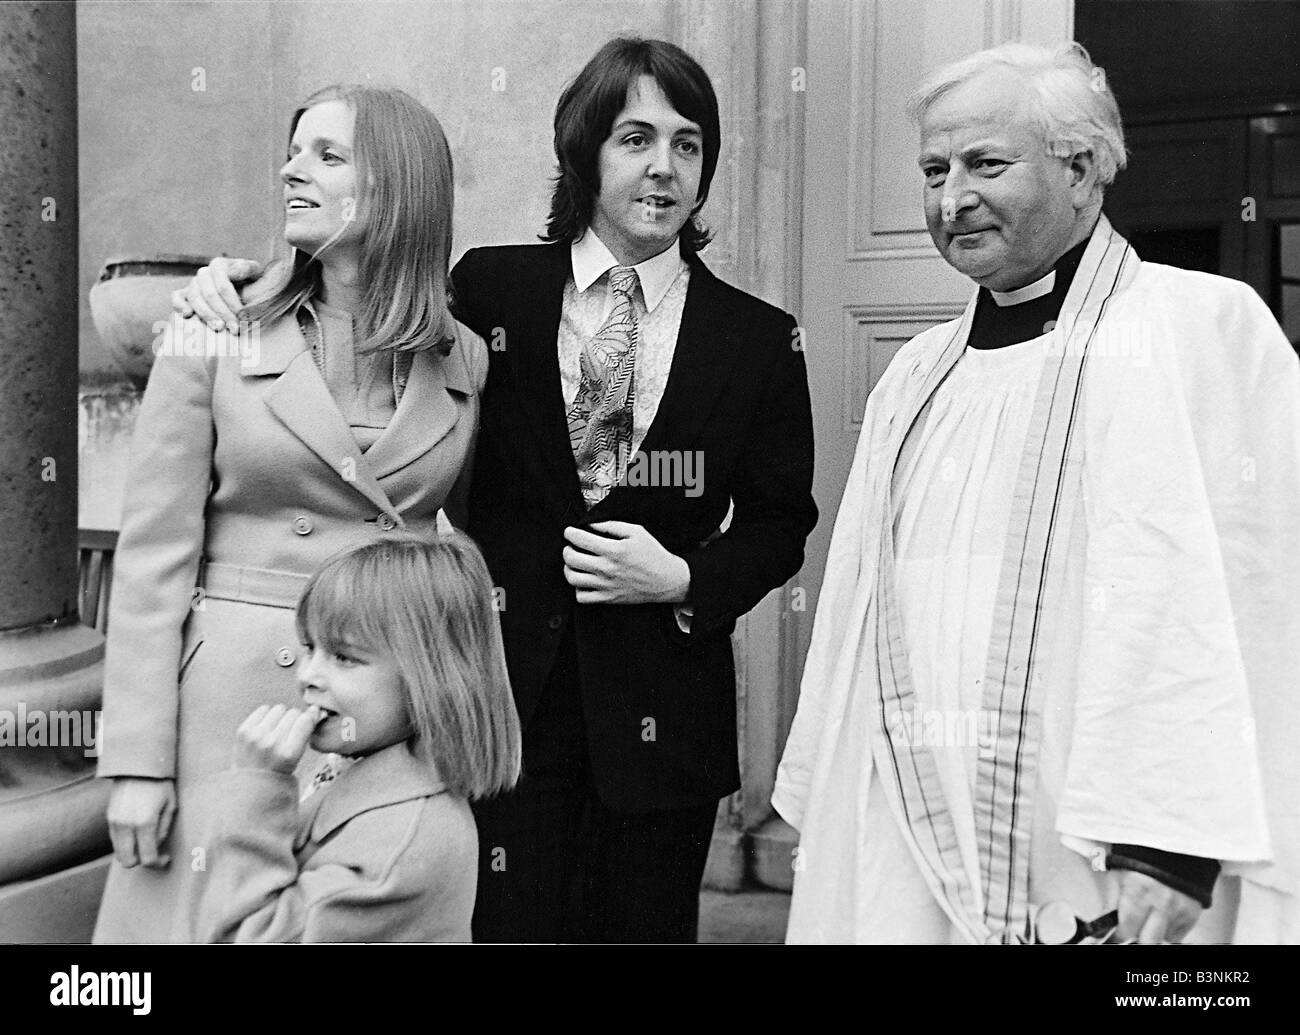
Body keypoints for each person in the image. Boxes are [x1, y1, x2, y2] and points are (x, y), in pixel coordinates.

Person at [180, 37, 817, 943]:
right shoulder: (490, 287)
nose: (664, 166)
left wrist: (682, 578)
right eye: (636, 138)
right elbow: (364, 323)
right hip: (498, 709)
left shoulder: (758, 338)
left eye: (688, 144)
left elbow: (781, 520)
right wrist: (242, 284)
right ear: (585, 151)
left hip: (661, 724)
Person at [774, 41, 1300, 945]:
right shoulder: (915, 374)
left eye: (985, 163)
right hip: (916, 825)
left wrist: (1175, 836)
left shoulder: (1198, 328)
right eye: (934, 170)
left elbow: (1257, 589)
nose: (951, 199)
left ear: (1083, 168)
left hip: (1106, 839)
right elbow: (858, 611)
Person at [94, 85, 488, 943]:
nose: (289, 169)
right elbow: (153, 556)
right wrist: (135, 762)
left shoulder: (466, 356)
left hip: (381, 721)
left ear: (397, 187)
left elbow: (456, 566)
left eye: (326, 155)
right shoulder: (213, 327)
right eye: (293, 148)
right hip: (230, 715)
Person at [192, 533, 521, 942]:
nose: (307, 675)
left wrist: (255, 789)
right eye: (310, 648)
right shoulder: (350, 761)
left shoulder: (398, 846)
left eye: (344, 657)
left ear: (430, 679)